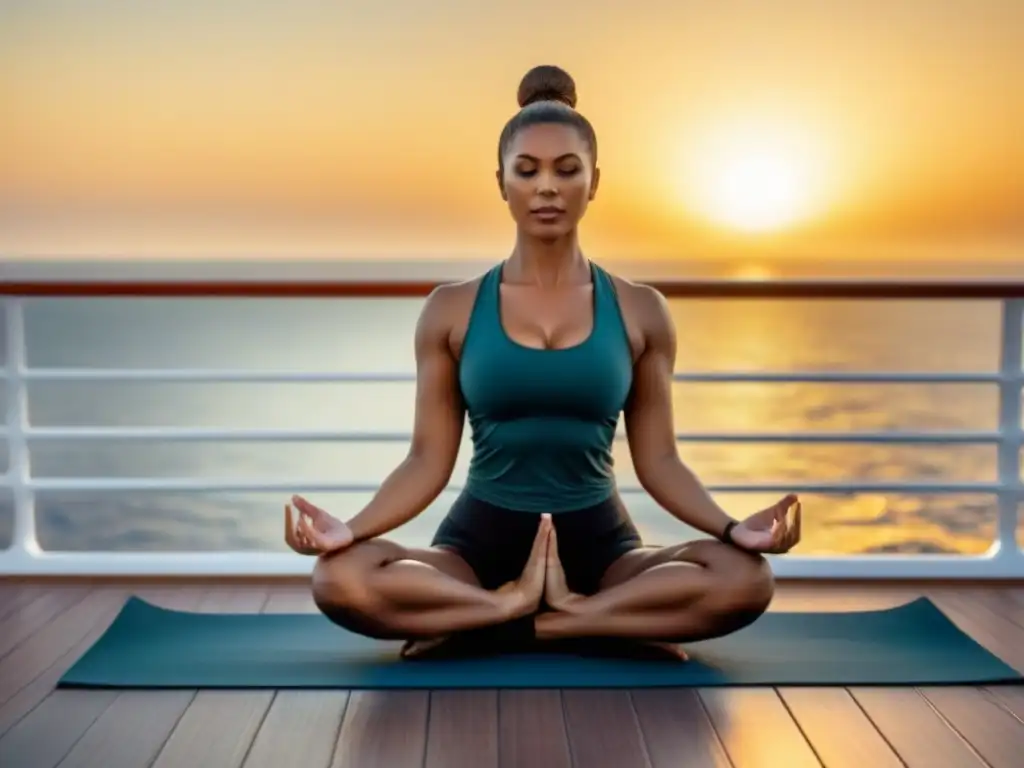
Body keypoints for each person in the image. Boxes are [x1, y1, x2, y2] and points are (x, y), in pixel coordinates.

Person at [284, 64, 801, 660]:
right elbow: (427, 461)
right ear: (501, 182)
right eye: (526, 171)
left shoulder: (640, 310)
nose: (547, 187)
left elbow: (660, 461)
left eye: (567, 169)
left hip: (602, 548)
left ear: (595, 181)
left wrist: (735, 529)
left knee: (746, 577)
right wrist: (348, 530)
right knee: (339, 577)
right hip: (475, 549)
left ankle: (544, 618)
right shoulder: (451, 309)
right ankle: (527, 608)